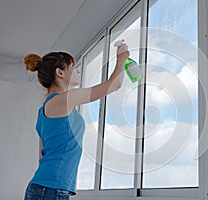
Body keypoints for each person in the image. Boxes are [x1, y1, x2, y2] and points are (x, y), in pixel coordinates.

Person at [23, 44, 129, 200]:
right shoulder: (64, 99)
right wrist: (121, 60)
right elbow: (114, 85)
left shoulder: (44, 111)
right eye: (73, 67)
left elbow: (43, 156)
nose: (78, 71)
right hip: (51, 189)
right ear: (60, 72)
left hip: (48, 187)